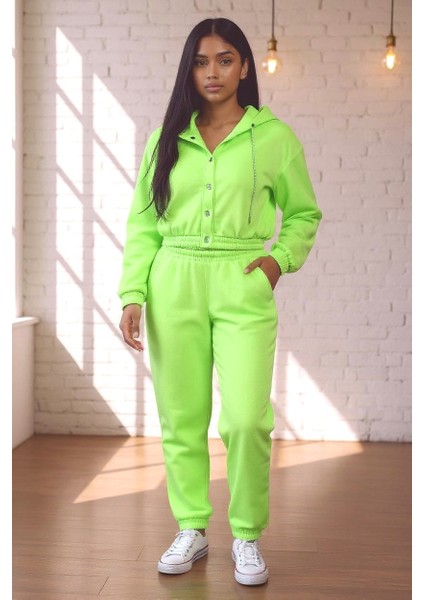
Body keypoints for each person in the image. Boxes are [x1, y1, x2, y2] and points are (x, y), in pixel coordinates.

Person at [118, 17, 322, 587]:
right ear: (189, 69)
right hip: (173, 281)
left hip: (241, 280)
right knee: (181, 417)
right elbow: (143, 224)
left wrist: (278, 260)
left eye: (225, 59)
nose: (213, 72)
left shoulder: (274, 138)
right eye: (202, 61)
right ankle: (191, 526)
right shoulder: (164, 139)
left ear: (245, 66)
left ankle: (247, 535)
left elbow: (303, 213)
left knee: (245, 419)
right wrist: (133, 293)